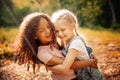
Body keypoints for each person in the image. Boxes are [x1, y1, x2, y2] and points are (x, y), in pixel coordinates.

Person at [14, 12, 98, 80]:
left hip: (76, 76)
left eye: (49, 27)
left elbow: (67, 48)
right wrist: (89, 62)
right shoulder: (42, 53)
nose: (47, 31)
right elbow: (69, 64)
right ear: (35, 36)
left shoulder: (53, 43)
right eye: (41, 30)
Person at [51, 9, 103, 80]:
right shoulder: (66, 41)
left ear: (72, 27)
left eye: (63, 30)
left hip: (90, 77)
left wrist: (49, 67)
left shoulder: (75, 43)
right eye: (56, 31)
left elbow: (68, 66)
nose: (59, 34)